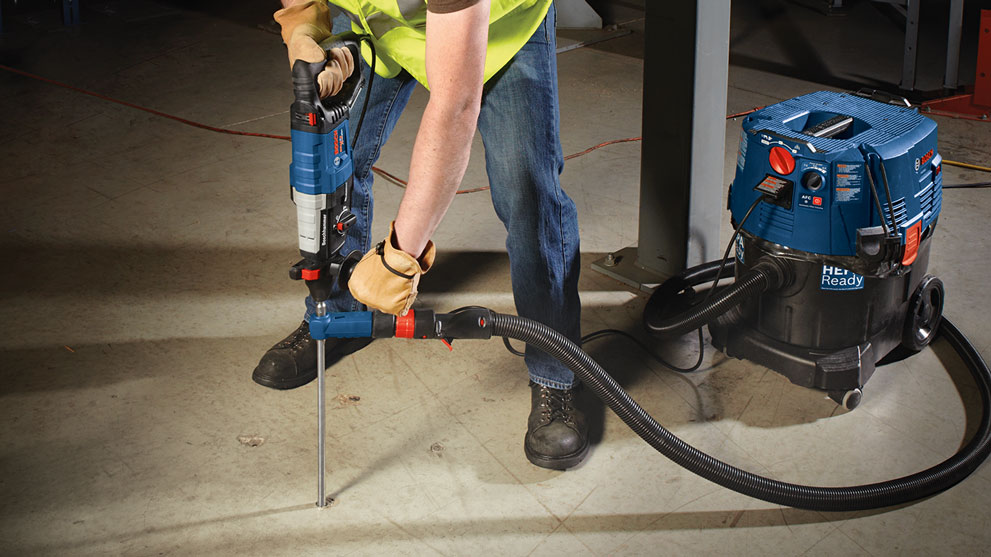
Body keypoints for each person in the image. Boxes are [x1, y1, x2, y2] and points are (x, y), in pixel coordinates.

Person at [253, 0, 587, 470]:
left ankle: (556, 374)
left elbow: (455, 106)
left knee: (527, 193)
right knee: (336, 157)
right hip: (379, 25)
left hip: (497, 29)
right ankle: (337, 316)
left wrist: (399, 257)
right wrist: (304, 25)